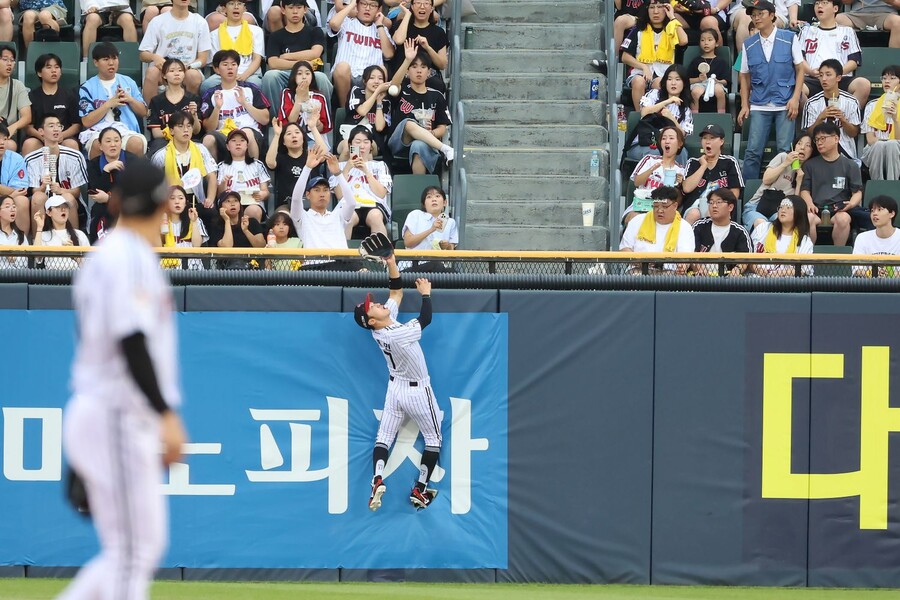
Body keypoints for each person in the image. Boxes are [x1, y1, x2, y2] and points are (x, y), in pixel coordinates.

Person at [59, 160, 187, 600]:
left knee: (134, 548)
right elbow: (130, 341)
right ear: (161, 205)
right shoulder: (127, 255)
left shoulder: (112, 254)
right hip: (115, 413)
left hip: (107, 412)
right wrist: (165, 414)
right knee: (133, 551)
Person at [354, 244, 442, 511]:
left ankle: (377, 478)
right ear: (372, 321)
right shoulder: (395, 333)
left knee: (384, 437)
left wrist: (391, 261)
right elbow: (425, 319)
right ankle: (421, 488)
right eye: (373, 307)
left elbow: (396, 291)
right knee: (433, 439)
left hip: (395, 390)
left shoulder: (382, 326)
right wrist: (426, 295)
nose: (378, 303)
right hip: (416, 391)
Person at [737, 0, 805, 181]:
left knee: (785, 151)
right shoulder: (748, 44)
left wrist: (795, 98)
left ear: (772, 15)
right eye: (753, 15)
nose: (756, 18)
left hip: (785, 102)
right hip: (759, 103)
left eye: (761, 14)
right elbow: (744, 75)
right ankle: (749, 193)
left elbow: (800, 69)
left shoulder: (790, 37)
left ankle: (786, 189)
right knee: (752, 151)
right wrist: (745, 104)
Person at [800, 121, 867, 246]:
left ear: (836, 138)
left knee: (843, 219)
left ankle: (837, 256)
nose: (819, 142)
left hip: (839, 209)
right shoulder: (809, 165)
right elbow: (805, 190)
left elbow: (857, 192)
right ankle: (808, 258)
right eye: (817, 139)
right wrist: (809, 204)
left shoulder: (850, 165)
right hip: (815, 209)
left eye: (823, 138)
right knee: (808, 219)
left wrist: (851, 204)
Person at [78, 42, 148, 160]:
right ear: (95, 62)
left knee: (136, 143)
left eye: (114, 58)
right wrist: (108, 104)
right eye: (106, 59)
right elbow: (86, 121)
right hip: (98, 131)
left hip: (127, 130)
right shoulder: (87, 87)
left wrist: (130, 99)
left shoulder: (128, 82)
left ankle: (133, 178)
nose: (111, 63)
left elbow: (144, 112)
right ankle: (99, 178)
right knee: (97, 144)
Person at [390, 48, 455, 174]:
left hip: (425, 143)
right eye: (414, 67)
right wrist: (407, 59)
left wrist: (432, 133)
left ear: (429, 72)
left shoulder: (437, 96)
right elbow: (393, 86)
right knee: (409, 123)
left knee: (419, 145)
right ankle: (446, 149)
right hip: (400, 142)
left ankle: (418, 189)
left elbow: (443, 127)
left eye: (423, 67)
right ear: (407, 72)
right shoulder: (403, 90)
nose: (419, 70)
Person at [290, 145, 359, 262]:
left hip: (342, 265)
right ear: (308, 195)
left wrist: (338, 174)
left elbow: (351, 203)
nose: (322, 194)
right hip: (315, 268)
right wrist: (307, 168)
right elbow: (296, 199)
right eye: (317, 190)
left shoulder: (338, 215)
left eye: (325, 190)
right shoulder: (303, 217)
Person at [261, 0, 327, 120]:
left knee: (322, 78)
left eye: (299, 7)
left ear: (305, 9)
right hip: (286, 73)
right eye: (291, 8)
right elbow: (273, 62)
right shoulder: (276, 36)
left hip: (309, 74)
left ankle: (322, 118)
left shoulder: (314, 31)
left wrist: (287, 56)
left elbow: (315, 53)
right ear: (283, 10)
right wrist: (303, 63)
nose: (295, 11)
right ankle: (278, 119)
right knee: (270, 76)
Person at [151, 110, 219, 225]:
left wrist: (210, 199)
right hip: (172, 201)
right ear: (171, 130)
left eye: (189, 126)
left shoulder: (201, 149)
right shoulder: (161, 156)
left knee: (211, 212)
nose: (186, 130)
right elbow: (152, 183)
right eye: (180, 126)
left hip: (196, 200)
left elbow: (212, 176)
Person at [200, 49, 271, 160]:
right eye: (225, 64)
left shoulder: (250, 88)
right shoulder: (211, 94)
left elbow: (265, 119)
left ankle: (255, 172)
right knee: (208, 139)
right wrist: (217, 108)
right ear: (216, 69)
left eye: (234, 64)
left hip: (250, 132)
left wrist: (245, 103)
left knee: (245, 133)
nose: (230, 68)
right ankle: (214, 175)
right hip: (223, 135)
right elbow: (209, 128)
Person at [798, 0, 870, 109]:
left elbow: (854, 61)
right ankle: (813, 119)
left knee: (863, 85)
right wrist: (811, 71)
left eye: (824, 3)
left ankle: (845, 120)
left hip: (840, 79)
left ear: (835, 9)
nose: (819, 6)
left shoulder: (847, 31)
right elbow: (799, 58)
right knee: (796, 88)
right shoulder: (806, 31)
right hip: (814, 79)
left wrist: (836, 73)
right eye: (817, 4)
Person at [742, 130, 816, 234]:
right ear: (794, 146)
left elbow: (795, 204)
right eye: (799, 143)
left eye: (808, 145)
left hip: (781, 211)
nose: (802, 147)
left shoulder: (807, 171)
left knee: (784, 225)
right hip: (756, 206)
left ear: (812, 151)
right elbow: (766, 179)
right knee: (762, 225)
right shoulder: (783, 157)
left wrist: (799, 182)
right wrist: (785, 164)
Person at [620, 0, 688, 111]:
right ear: (647, 10)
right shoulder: (639, 29)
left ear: (666, 9)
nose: (656, 12)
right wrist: (644, 67)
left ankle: (660, 118)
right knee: (639, 82)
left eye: (660, 7)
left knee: (661, 83)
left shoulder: (672, 28)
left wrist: (672, 17)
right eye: (652, 7)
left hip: (664, 74)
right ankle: (641, 116)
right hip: (640, 73)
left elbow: (684, 41)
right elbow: (625, 57)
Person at [25, 114, 88, 233]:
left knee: (67, 197)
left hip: (68, 198)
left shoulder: (75, 156)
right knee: (38, 197)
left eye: (59, 126)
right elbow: (32, 191)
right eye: (51, 125)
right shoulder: (31, 159)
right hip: (43, 199)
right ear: (41, 131)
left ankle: (73, 242)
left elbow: (77, 192)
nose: (56, 129)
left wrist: (61, 191)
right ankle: (37, 243)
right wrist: (43, 187)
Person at [328, 0, 396, 107]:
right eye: (364, 4)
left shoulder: (381, 28)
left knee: (381, 69)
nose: (368, 8)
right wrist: (351, 5)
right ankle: (345, 110)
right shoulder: (347, 21)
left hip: (370, 77)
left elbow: (389, 54)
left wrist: (379, 26)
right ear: (357, 5)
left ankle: (373, 110)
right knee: (342, 67)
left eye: (372, 5)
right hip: (347, 76)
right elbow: (333, 24)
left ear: (378, 9)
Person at [139, 0, 212, 100]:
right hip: (163, 70)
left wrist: (188, 67)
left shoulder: (199, 21)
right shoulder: (157, 21)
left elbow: (203, 59)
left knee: (193, 75)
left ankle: (189, 112)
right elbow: (143, 54)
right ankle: (150, 113)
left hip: (187, 69)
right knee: (152, 72)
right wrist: (154, 57)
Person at [331, 124, 392, 237]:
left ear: (371, 145)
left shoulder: (380, 166)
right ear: (350, 145)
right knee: (348, 218)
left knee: (375, 216)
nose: (362, 146)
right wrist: (347, 169)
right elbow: (339, 195)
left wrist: (366, 171)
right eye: (358, 142)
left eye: (366, 142)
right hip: (348, 204)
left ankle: (381, 253)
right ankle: (342, 254)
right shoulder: (340, 166)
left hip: (374, 204)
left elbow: (381, 193)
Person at [620, 185, 696, 274]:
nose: (659, 210)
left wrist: (682, 266)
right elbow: (624, 249)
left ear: (675, 206)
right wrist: (641, 261)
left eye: (665, 206)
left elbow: (685, 256)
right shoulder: (637, 220)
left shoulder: (684, 227)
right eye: (656, 206)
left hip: (670, 273)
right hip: (638, 270)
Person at [626, 63, 693, 162]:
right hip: (643, 144)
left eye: (677, 79)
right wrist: (668, 101)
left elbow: (682, 136)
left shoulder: (686, 110)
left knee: (682, 153)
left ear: (684, 83)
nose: (673, 83)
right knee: (658, 153)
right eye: (669, 79)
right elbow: (644, 113)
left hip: (667, 146)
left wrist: (671, 118)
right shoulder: (654, 94)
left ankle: (678, 177)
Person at [681, 123, 744, 224]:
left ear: (721, 141)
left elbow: (734, 193)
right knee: (694, 214)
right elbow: (686, 188)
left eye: (712, 138)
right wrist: (703, 166)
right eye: (705, 138)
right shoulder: (693, 162)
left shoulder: (729, 162)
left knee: (713, 213)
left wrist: (717, 205)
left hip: (720, 205)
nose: (708, 142)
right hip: (695, 206)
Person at [624, 124, 686, 225]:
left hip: (663, 211)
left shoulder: (681, 170)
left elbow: (678, 201)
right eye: (664, 138)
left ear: (679, 144)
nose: (667, 141)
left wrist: (680, 185)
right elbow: (636, 182)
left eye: (671, 138)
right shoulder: (649, 159)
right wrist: (652, 169)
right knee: (635, 220)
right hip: (640, 207)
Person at [800, 59, 861, 160]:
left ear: (838, 77)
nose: (824, 79)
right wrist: (820, 118)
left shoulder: (851, 101)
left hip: (845, 152)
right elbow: (808, 135)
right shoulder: (811, 103)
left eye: (828, 75)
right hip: (819, 154)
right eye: (821, 75)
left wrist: (843, 119)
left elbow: (853, 133)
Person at [86, 127, 137, 242]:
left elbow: (135, 193)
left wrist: (108, 198)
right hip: (103, 209)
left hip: (128, 206)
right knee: (99, 209)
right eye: (108, 141)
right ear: (100, 145)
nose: (113, 144)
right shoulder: (94, 164)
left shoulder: (132, 161)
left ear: (121, 143)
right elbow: (95, 192)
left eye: (116, 140)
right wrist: (106, 170)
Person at [23, 53, 81, 155]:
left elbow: (76, 125)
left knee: (71, 144)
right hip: (39, 138)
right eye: (48, 67)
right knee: (29, 144)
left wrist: (61, 135)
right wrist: (43, 136)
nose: (54, 70)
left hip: (63, 137)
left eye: (57, 67)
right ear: (39, 73)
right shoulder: (31, 96)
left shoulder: (69, 95)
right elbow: (28, 127)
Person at [203, 0, 265, 93]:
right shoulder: (214, 34)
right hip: (222, 75)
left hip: (250, 75)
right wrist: (229, 77)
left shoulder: (256, 31)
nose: (236, 7)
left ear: (244, 8)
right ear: (224, 9)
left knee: (256, 83)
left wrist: (244, 75)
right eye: (231, 4)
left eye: (239, 4)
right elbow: (216, 63)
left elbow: (257, 59)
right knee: (207, 85)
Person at [692, 188, 754, 276]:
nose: (714, 206)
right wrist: (699, 268)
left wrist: (737, 270)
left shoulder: (740, 232)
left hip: (729, 280)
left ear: (730, 207)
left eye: (718, 202)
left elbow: (747, 258)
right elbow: (691, 252)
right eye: (711, 202)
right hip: (700, 277)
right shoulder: (699, 226)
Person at [147, 59, 203, 157]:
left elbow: (196, 130)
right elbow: (156, 133)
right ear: (164, 75)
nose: (176, 74)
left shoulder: (193, 99)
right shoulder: (156, 101)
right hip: (164, 142)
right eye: (172, 71)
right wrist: (177, 134)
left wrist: (193, 115)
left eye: (180, 71)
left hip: (189, 140)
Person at [390, 0, 447, 91]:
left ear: (432, 8)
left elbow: (442, 64)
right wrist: (408, 14)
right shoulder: (402, 24)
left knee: (437, 85)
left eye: (426, 3)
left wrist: (428, 48)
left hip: (428, 79)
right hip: (403, 76)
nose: (422, 6)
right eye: (418, 3)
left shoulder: (438, 32)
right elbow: (398, 40)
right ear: (412, 6)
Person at [216, 128, 271, 223]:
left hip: (253, 203)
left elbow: (266, 191)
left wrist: (262, 194)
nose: (238, 143)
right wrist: (224, 183)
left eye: (242, 140)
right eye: (233, 141)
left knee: (253, 211)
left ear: (246, 145)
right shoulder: (221, 166)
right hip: (230, 204)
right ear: (228, 146)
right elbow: (219, 195)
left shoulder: (257, 164)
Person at [751, 194, 814, 276]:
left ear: (798, 212)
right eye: (781, 207)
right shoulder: (762, 229)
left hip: (787, 284)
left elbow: (805, 269)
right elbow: (747, 257)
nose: (783, 210)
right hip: (757, 281)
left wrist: (779, 274)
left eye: (788, 207)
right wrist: (758, 270)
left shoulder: (804, 240)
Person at [401, 185, 457, 271]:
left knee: (454, 274)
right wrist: (431, 229)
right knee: (436, 266)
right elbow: (408, 242)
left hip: (439, 268)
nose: (434, 199)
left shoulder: (451, 222)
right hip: (413, 266)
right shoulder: (415, 215)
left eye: (437, 196)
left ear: (445, 202)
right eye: (429, 197)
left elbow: (451, 252)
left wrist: (447, 246)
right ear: (424, 204)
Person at [861, 65, 900, 181]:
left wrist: (895, 119)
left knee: (892, 145)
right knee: (879, 145)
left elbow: (898, 139)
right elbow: (870, 139)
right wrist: (885, 144)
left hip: (897, 149)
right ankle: (877, 184)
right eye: (884, 78)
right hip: (875, 149)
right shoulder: (872, 105)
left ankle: (891, 184)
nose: (887, 81)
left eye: (892, 78)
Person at [277, 60, 332, 142]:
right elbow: (290, 122)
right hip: (293, 138)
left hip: (314, 138)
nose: (304, 77)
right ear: (294, 76)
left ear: (312, 77)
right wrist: (299, 98)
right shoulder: (287, 93)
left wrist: (316, 121)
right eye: (299, 74)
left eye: (307, 73)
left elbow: (323, 128)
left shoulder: (320, 96)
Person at [31, 194, 89, 270]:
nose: (63, 209)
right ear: (49, 212)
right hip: (52, 278)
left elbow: (89, 266)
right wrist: (39, 227)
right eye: (58, 207)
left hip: (75, 277)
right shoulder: (44, 235)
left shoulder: (79, 234)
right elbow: (37, 257)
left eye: (65, 206)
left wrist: (75, 255)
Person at [208, 190, 264, 268]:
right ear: (221, 207)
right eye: (228, 201)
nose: (232, 204)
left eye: (236, 200)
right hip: (226, 269)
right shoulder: (216, 226)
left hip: (252, 267)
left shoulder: (251, 222)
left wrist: (246, 230)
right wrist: (227, 221)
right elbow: (227, 248)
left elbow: (261, 247)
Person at [161, 184, 208, 270]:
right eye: (172, 198)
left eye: (180, 198)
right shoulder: (161, 221)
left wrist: (194, 221)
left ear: (186, 202)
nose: (177, 201)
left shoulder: (196, 220)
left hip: (191, 266)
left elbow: (197, 245)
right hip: (167, 266)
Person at [266, 119, 310, 207]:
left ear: (303, 138)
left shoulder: (310, 156)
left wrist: (313, 127)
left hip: (309, 204)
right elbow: (270, 163)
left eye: (297, 132)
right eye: (289, 134)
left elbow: (324, 153)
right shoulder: (280, 158)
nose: (294, 136)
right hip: (285, 205)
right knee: (283, 218)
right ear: (283, 142)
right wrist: (277, 135)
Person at [852, 195, 900, 276]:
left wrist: (889, 275)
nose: (875, 214)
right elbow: (856, 270)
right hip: (869, 286)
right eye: (872, 210)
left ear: (892, 214)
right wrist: (873, 273)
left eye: (879, 210)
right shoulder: (862, 238)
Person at [687, 28, 730, 113]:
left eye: (710, 40)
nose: (706, 43)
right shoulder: (696, 61)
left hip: (716, 84)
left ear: (716, 43)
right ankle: (694, 117)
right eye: (702, 40)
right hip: (699, 84)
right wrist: (699, 79)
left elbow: (726, 81)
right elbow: (687, 80)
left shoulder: (721, 62)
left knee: (719, 90)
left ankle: (721, 115)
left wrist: (718, 81)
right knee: (695, 92)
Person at [731, 0, 800, 52]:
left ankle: (766, 62)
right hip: (745, 8)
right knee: (745, 17)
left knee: (767, 21)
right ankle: (744, 62)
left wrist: (793, 19)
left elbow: (792, 2)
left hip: (777, 12)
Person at [0, 124, 32, 237]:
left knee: (22, 201)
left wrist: (8, 195)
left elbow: (21, 190)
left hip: (9, 199)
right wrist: (9, 192)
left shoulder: (16, 159)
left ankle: (21, 245)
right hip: (9, 196)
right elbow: (13, 190)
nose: (2, 142)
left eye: (4, 139)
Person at [0, 46, 31, 151]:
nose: (9, 63)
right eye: (5, 59)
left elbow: (27, 117)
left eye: (12, 60)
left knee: (10, 145)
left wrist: (10, 129)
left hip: (6, 134)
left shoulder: (17, 86)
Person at [835, 0, 900, 50]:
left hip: (886, 15)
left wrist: (893, 1)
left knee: (898, 22)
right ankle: (837, 62)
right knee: (834, 20)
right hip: (857, 15)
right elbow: (845, 1)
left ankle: (894, 63)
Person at [0, 195, 29, 269]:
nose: (12, 209)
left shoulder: (21, 236)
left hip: (17, 277)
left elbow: (24, 263)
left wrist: (10, 256)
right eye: (7, 206)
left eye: (14, 206)